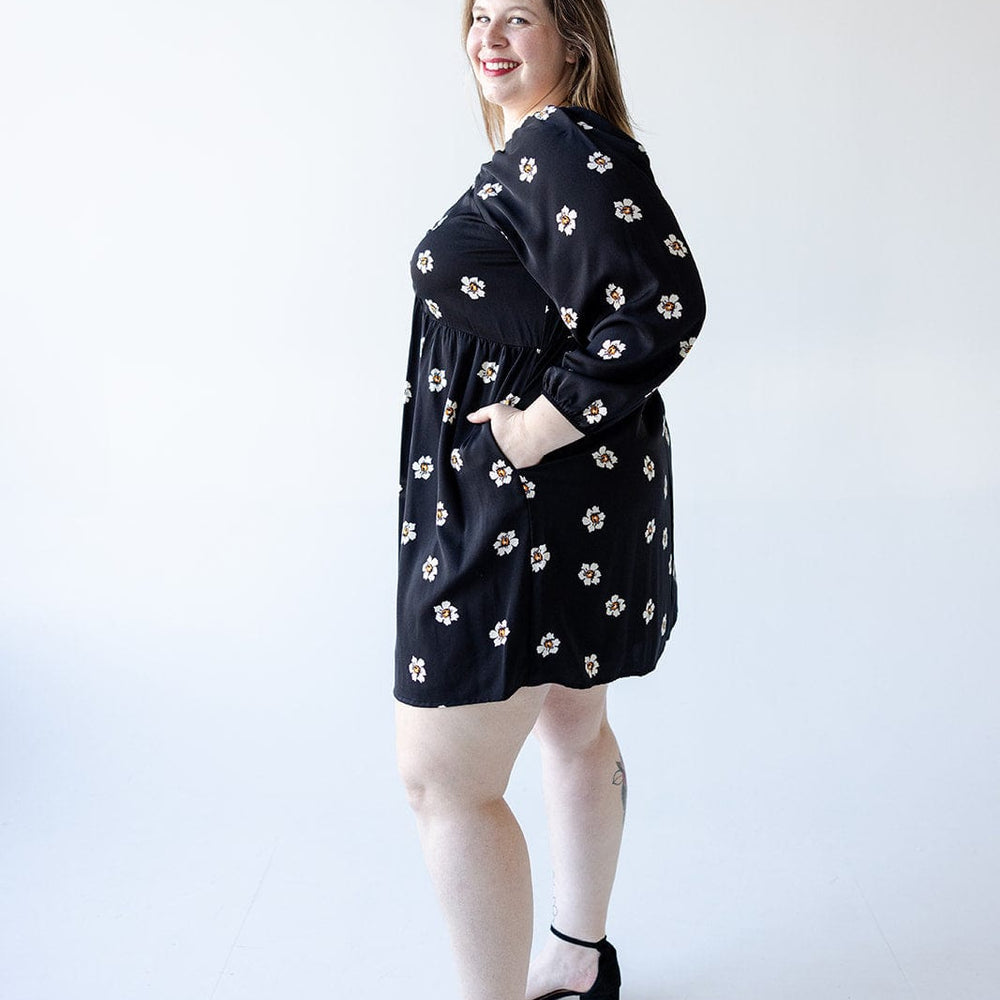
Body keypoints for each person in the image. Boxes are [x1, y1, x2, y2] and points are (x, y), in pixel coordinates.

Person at [394, 1, 706, 997]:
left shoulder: (560, 145)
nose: (488, 34)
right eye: (477, 15)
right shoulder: (557, 144)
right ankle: (577, 960)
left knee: (445, 777)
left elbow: (662, 306)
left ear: (572, 38)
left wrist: (533, 426)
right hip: (567, 503)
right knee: (571, 726)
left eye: (516, 16)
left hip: (524, 508)